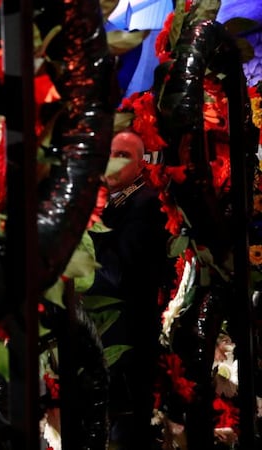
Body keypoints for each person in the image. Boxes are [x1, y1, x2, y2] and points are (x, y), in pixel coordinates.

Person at [86, 130, 172, 449]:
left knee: (122, 436)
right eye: (109, 154)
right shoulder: (111, 203)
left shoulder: (145, 205)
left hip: (127, 346)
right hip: (98, 341)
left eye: (123, 156)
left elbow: (117, 276)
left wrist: (89, 224)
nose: (112, 162)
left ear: (140, 166)